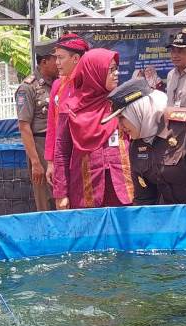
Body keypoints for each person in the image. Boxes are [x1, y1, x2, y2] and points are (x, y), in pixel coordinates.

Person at [53, 48, 134, 209]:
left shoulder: (122, 103)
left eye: (116, 68)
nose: (116, 73)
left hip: (124, 189)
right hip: (87, 190)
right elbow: (62, 152)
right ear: (94, 72)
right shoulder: (70, 108)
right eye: (111, 70)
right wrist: (61, 193)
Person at [15, 41, 58, 211]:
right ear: (44, 62)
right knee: (46, 198)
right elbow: (24, 127)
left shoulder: (59, 83)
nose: (59, 62)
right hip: (40, 145)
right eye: (56, 59)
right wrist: (35, 163)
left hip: (57, 144)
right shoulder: (27, 88)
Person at [43, 33, 89, 187]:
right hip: (63, 157)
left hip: (85, 156)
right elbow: (52, 126)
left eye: (60, 58)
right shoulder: (58, 85)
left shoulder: (91, 83)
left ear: (75, 59)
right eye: (55, 57)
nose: (56, 62)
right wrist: (50, 161)